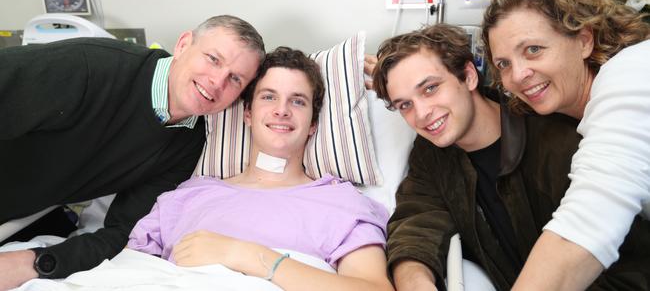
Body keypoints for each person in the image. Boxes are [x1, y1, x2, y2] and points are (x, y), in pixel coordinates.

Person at [366, 23, 650, 290]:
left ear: (468, 76)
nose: (422, 113)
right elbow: (416, 222)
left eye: (430, 88)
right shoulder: (431, 154)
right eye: (405, 105)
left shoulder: (556, 138)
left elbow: (627, 257)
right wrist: (417, 283)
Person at [0, 15, 265, 290]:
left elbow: (122, 234)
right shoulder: (90, 66)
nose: (217, 81)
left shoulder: (188, 144)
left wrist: (33, 263)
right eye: (213, 59)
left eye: (235, 79)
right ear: (184, 44)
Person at [127, 47, 394, 291]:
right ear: (248, 114)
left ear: (313, 124)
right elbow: (121, 277)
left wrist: (247, 256)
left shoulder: (343, 205)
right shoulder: (184, 198)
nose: (282, 110)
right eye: (269, 97)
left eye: (298, 101)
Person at [482, 0, 650, 290]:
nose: (518, 75)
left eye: (533, 49)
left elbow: (584, 230)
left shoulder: (632, 75)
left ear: (584, 40)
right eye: (503, 63)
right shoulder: (562, 117)